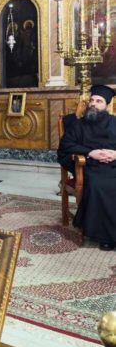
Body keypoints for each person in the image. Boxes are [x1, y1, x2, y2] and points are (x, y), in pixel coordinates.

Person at [57, 84, 116, 250]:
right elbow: (65, 146)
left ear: (107, 105)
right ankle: (106, 236)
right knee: (101, 185)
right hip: (91, 166)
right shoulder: (78, 125)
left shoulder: (114, 122)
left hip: (114, 163)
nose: (94, 104)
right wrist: (91, 153)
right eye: (92, 100)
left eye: (99, 101)